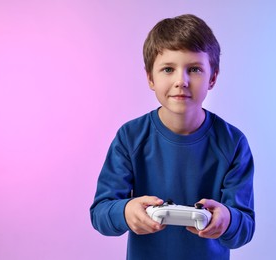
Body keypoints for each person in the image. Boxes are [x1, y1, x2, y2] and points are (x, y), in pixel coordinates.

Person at [90, 14, 255, 260]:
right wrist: (125, 211)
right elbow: (100, 213)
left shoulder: (232, 143)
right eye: (168, 69)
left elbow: (245, 226)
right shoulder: (130, 137)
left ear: (212, 77)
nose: (181, 81)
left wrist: (227, 219)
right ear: (150, 78)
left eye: (195, 69)